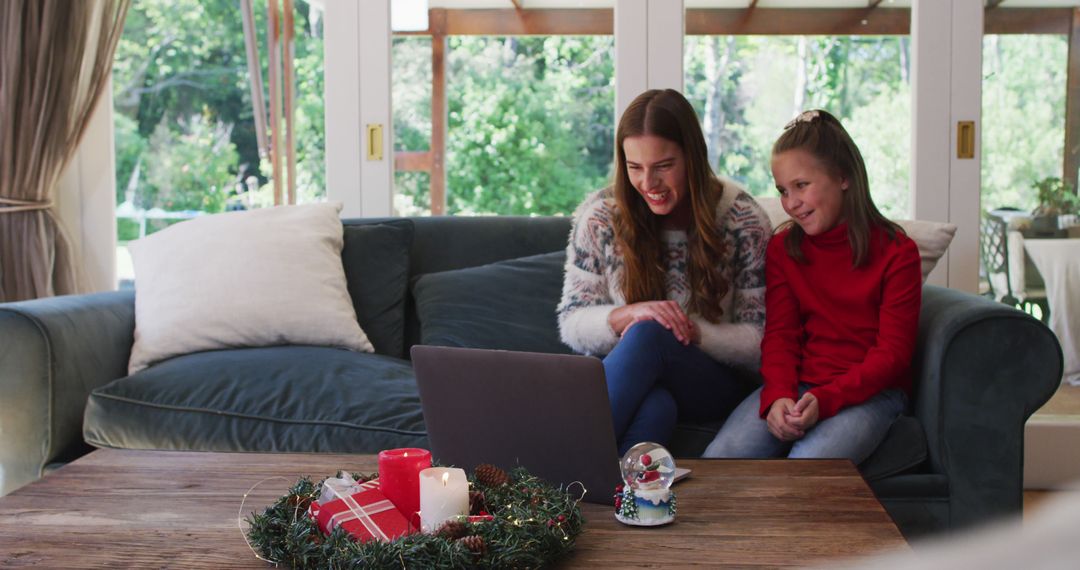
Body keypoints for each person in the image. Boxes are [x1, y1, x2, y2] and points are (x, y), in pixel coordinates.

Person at [557, 89, 771, 455]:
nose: (648, 184)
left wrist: (693, 332)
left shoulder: (741, 219)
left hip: (711, 381)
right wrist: (627, 314)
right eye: (634, 167)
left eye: (663, 166)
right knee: (656, 406)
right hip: (637, 375)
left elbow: (763, 341)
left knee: (650, 333)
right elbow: (572, 324)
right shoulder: (601, 215)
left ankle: (551, 473)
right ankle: (617, 502)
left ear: (692, 156)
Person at [703, 109, 921, 462]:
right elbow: (781, 336)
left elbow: (892, 354)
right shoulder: (784, 249)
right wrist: (777, 395)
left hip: (873, 393)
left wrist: (827, 399)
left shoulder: (898, 252)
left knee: (806, 469)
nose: (791, 204)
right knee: (721, 458)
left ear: (843, 176)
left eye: (801, 186)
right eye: (783, 191)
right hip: (801, 385)